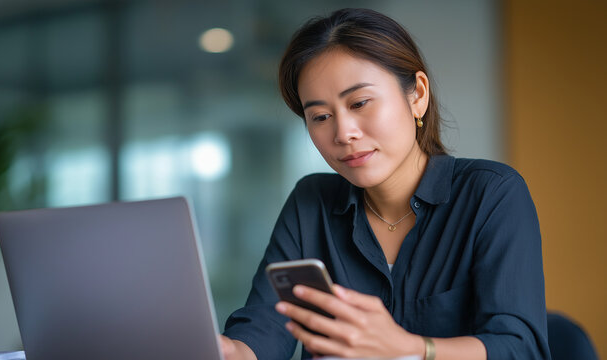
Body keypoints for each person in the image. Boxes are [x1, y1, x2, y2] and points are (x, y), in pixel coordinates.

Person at [219, 8, 550, 360]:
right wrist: (229, 351)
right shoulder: (310, 203)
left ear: (417, 96)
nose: (344, 132)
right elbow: (266, 327)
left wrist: (413, 348)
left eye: (360, 103)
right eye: (320, 116)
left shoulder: (492, 194)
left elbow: (521, 348)